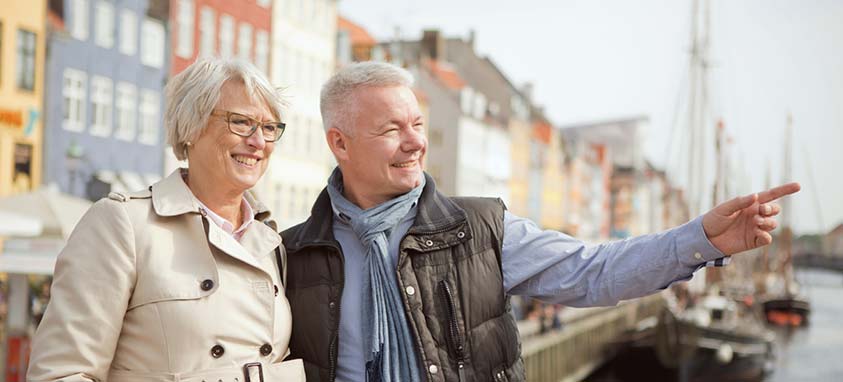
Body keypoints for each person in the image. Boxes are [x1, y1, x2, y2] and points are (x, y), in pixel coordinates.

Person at [281, 61, 800, 382]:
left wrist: (702, 238)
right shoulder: (291, 254)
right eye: (391, 129)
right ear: (340, 143)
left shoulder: (479, 230)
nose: (415, 141)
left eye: (418, 123)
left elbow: (596, 271)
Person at [27, 58, 304, 381]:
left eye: (269, 128)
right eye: (241, 122)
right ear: (191, 126)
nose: (259, 142)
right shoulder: (124, 225)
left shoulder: (270, 239)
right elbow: (62, 372)